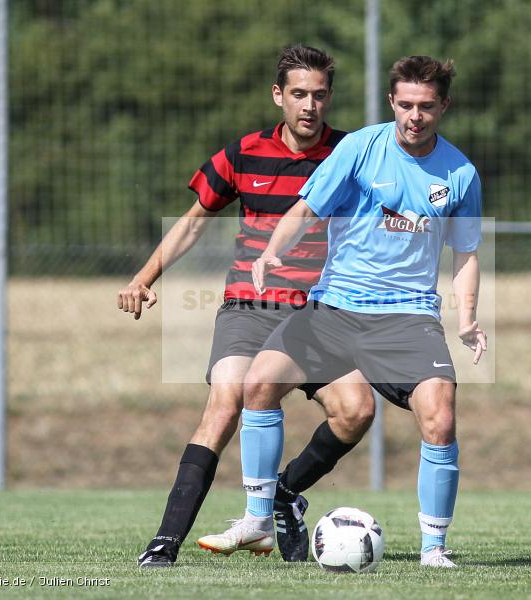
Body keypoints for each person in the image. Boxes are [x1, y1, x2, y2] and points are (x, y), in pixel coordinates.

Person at [197, 55, 487, 569]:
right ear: (391, 101)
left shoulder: (460, 173)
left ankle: (434, 549)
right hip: (335, 308)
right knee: (259, 382)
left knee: (440, 417)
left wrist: (466, 319)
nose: (414, 116)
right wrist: (271, 252)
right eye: (405, 104)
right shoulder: (359, 148)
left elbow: (465, 254)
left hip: (407, 316)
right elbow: (307, 208)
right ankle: (258, 517)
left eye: (425, 106)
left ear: (444, 105)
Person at [118, 45, 375, 567]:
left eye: (319, 95)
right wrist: (144, 278)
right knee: (225, 401)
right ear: (278, 95)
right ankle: (165, 543)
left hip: (317, 314)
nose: (309, 105)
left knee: (356, 411)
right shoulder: (243, 153)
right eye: (298, 94)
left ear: (329, 98)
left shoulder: (350, 155)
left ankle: (284, 494)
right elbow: (193, 222)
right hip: (250, 308)